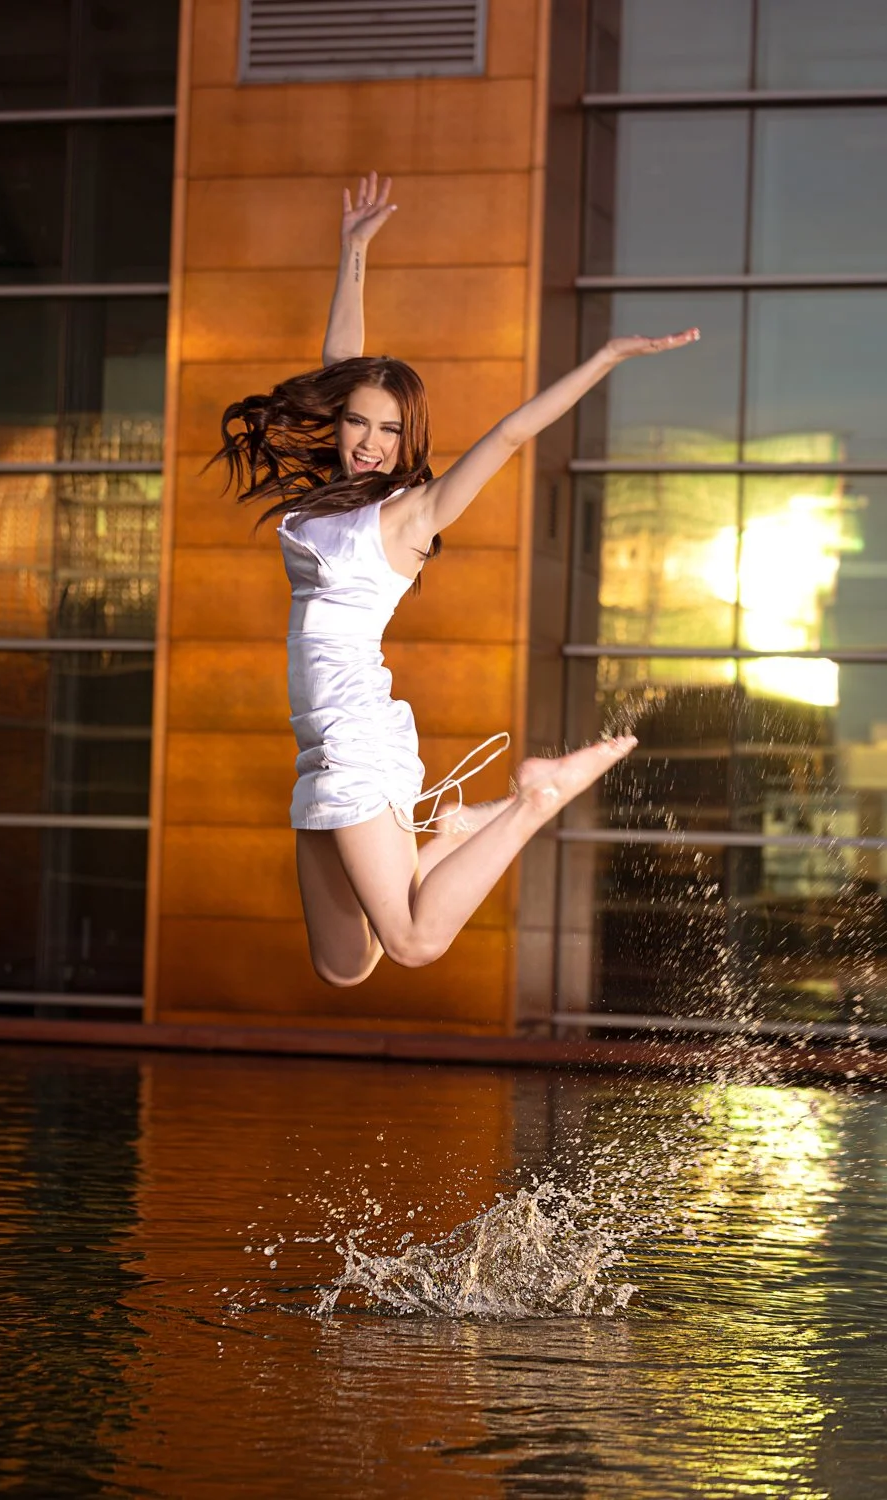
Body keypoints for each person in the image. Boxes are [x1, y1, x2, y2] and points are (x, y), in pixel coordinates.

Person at [214, 172, 698, 987]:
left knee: (411, 943)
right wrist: (354, 250)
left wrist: (606, 359)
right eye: (358, 421)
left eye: (389, 430)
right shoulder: (334, 495)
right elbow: (343, 360)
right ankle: (457, 827)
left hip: (355, 738)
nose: (370, 441)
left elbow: (508, 436)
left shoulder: (411, 514)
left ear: (409, 440)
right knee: (345, 966)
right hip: (320, 741)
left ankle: (535, 798)